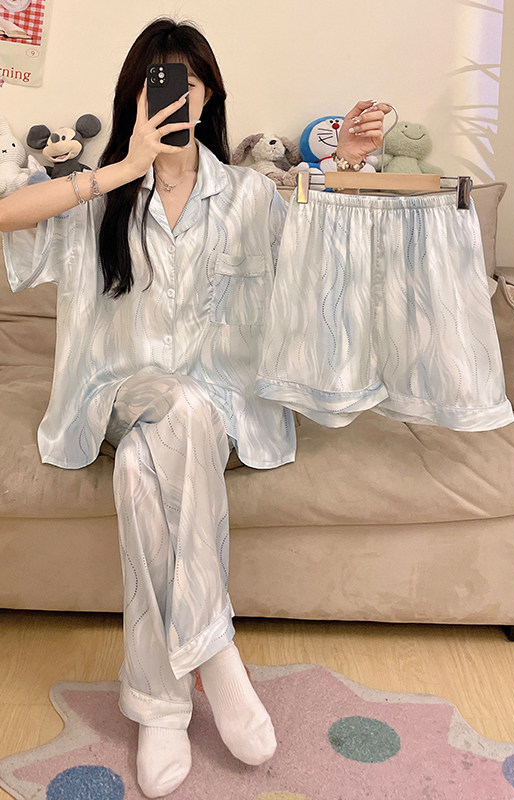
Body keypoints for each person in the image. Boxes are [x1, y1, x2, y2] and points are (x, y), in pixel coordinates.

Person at [0, 17, 389, 799]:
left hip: (221, 411)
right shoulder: (101, 193)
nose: (174, 95)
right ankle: (218, 654)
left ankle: (161, 704)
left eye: (188, 81)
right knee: (167, 406)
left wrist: (343, 164)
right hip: (116, 396)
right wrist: (123, 169)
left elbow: (326, 255)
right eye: (158, 81)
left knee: (149, 459)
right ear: (135, 96)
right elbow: (6, 217)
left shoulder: (249, 194)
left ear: (209, 96)